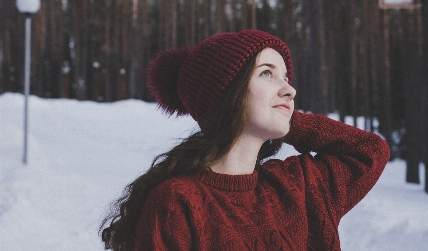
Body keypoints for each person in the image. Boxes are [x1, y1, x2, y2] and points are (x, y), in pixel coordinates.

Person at [99, 30, 390, 251]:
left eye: (286, 77)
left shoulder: (300, 186)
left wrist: (285, 119)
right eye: (267, 73)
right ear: (227, 94)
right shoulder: (179, 200)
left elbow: (369, 150)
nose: (289, 89)